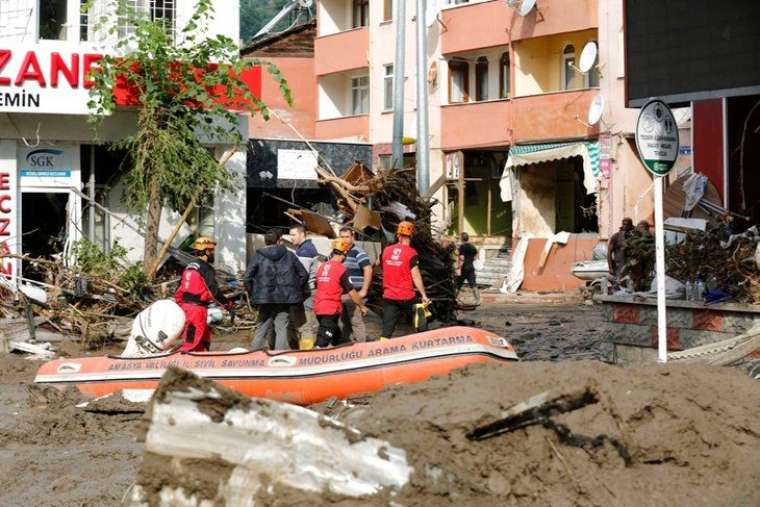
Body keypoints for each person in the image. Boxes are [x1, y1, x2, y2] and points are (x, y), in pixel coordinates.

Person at [244, 230, 308, 351]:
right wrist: (293, 289)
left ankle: (252, 357)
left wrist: (253, 294)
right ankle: (279, 358)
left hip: (264, 298)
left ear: (265, 241)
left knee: (262, 328)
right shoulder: (289, 255)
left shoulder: (258, 256)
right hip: (284, 298)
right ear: (279, 241)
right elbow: (303, 274)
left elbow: (247, 278)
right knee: (281, 327)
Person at [174, 237, 227, 352]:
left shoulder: (188, 266)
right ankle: (183, 363)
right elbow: (214, 292)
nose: (212, 254)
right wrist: (227, 305)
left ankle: (202, 359)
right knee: (191, 342)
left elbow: (179, 289)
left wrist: (180, 305)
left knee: (204, 339)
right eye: (211, 251)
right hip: (196, 310)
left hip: (187, 307)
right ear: (206, 251)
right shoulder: (206, 268)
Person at [313, 238, 369, 348]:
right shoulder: (341, 269)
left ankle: (339, 351)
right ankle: (311, 360)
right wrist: (362, 306)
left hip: (319, 306)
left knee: (336, 335)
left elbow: (318, 285)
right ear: (345, 253)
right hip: (330, 308)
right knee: (323, 340)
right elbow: (352, 293)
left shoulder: (322, 267)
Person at [380, 221, 430, 340]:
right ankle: (425, 344)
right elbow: (416, 275)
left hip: (389, 296)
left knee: (387, 329)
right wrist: (423, 295)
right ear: (411, 236)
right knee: (420, 316)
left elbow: (382, 266)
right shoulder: (411, 253)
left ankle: (381, 349)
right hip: (406, 296)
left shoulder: (386, 251)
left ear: (398, 235)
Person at [288, 224, 322, 348]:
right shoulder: (306, 248)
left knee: (306, 325)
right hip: (309, 290)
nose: (291, 238)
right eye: (290, 235)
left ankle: (307, 355)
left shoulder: (305, 251)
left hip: (306, 291)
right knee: (310, 324)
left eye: (293, 235)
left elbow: (302, 275)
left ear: (302, 234)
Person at [338, 226, 373, 342]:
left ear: (352, 237)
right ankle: (348, 346)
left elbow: (368, 269)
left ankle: (362, 348)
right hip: (340, 294)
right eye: (342, 237)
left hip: (354, 292)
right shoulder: (336, 252)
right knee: (343, 322)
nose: (344, 240)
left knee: (356, 321)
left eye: (347, 237)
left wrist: (364, 290)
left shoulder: (358, 252)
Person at [456, 232, 480, 305]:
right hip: (471, 267)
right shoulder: (472, 246)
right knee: (473, 284)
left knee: (458, 284)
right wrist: (471, 259)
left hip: (464, 268)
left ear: (462, 239)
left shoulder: (462, 247)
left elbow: (462, 258)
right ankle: (478, 300)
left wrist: (459, 267)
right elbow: (476, 255)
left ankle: (452, 299)